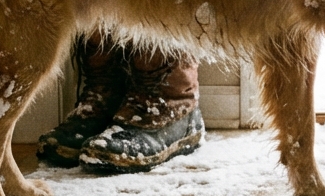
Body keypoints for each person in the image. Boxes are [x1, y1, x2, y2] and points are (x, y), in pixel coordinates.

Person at [35, 38, 204, 172]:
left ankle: (174, 106)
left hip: (169, 107)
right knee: (103, 3)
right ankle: (109, 98)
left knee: (154, 3)